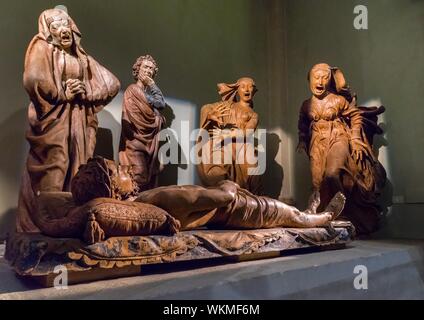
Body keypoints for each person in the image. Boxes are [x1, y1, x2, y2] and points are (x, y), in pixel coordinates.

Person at [17, 8, 120, 233]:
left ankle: (69, 222)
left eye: (66, 24)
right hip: (53, 120)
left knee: (79, 170)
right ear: (49, 31)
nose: (63, 30)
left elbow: (112, 82)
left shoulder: (82, 57)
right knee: (56, 163)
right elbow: (33, 78)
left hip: (80, 124)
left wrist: (86, 91)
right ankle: (44, 224)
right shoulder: (43, 48)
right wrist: (62, 92)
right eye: (56, 26)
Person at [70, 157, 345, 233]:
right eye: (118, 170)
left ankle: (311, 213)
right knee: (290, 215)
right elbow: (223, 198)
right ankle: (321, 219)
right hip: (239, 209)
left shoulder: (143, 202)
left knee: (289, 211)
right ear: (113, 188)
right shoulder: (154, 202)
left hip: (234, 207)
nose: (126, 168)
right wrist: (228, 184)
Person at [297, 63, 386, 234]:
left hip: (338, 137)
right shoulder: (306, 105)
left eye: (324, 77)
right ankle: (322, 217)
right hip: (318, 142)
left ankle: (342, 214)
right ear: (309, 80)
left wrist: (355, 137)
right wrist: (302, 139)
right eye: (316, 77)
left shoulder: (338, 100)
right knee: (318, 182)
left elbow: (355, 116)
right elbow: (302, 123)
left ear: (329, 80)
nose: (320, 81)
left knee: (332, 173)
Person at [197, 77, 263, 194]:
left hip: (241, 145)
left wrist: (227, 135)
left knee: (252, 162)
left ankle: (243, 194)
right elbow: (206, 108)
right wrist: (210, 115)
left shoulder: (253, 115)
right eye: (243, 86)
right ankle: (222, 188)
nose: (247, 89)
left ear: (254, 90)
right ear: (236, 89)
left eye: (250, 86)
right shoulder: (228, 105)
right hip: (223, 145)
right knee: (216, 156)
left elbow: (248, 132)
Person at [119, 55, 166, 191]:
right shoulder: (133, 90)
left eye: (151, 69)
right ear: (138, 70)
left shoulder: (147, 96)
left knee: (147, 183)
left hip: (149, 143)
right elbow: (135, 118)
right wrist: (157, 119)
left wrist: (157, 118)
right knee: (138, 177)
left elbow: (160, 103)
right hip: (136, 141)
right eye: (145, 67)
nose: (148, 71)